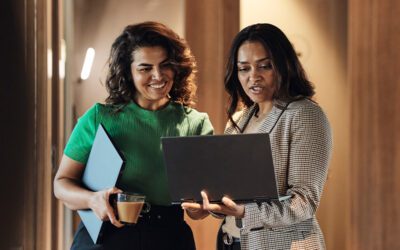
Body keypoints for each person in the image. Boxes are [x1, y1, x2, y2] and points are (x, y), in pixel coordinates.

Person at [54, 21, 213, 250]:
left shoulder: (196, 124)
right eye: (145, 68)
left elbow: (200, 209)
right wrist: (91, 199)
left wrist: (199, 209)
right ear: (127, 72)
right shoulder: (99, 118)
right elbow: (61, 184)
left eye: (165, 65)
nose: (157, 75)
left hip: (168, 238)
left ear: (177, 67)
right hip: (106, 236)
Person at [182, 23, 332, 250]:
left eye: (265, 66)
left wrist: (244, 212)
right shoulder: (239, 120)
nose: (254, 77)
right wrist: (205, 207)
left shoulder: (305, 115)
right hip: (231, 242)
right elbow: (230, 194)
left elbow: (304, 203)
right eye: (244, 68)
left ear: (283, 66)